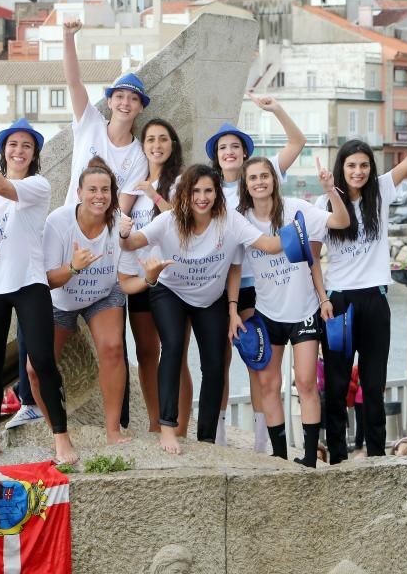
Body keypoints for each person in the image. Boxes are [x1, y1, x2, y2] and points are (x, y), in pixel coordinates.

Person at [316, 100, 407, 464]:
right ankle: (338, 457)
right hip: (340, 301)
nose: (358, 171)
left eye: (363, 165)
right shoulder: (324, 202)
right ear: (340, 168)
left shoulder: (380, 191)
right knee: (335, 385)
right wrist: (321, 299)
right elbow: (311, 256)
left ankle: (377, 456)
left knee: (374, 385)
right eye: (351, 165)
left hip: (375, 300)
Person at [118, 164, 288, 454]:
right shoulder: (169, 220)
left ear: (217, 193)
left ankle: (207, 438)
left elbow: (268, 245)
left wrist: (298, 233)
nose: (202, 197)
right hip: (169, 291)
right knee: (172, 348)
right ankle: (168, 427)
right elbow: (133, 243)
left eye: (208, 190)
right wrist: (123, 232)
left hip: (210, 298)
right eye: (196, 191)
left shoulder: (229, 221)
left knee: (214, 364)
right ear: (185, 194)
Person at [0, 123, 76, 465]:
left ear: (34, 154)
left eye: (26, 146)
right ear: (4, 150)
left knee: (43, 360)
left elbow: (3, 187)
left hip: (29, 283)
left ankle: (62, 440)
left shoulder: (37, 185)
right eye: (13, 144)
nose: (19, 150)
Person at [232, 155, 348, 465]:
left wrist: (331, 191)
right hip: (268, 313)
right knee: (269, 384)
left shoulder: (297, 209)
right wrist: (232, 308)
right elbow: (233, 268)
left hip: (305, 311)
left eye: (264, 176)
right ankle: (280, 456)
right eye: (253, 177)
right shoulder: (240, 218)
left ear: (274, 179)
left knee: (308, 382)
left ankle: (309, 457)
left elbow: (340, 222)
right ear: (245, 184)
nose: (259, 182)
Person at [208, 93, 307, 450]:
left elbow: (298, 142)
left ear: (245, 152)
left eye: (235, 146)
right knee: (217, 361)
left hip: (259, 285)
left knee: (258, 359)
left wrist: (276, 108)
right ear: (216, 156)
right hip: (220, 283)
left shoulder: (261, 177)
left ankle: (262, 441)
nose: (229, 152)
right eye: (223, 148)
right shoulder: (210, 190)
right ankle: (217, 438)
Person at [41, 157, 127, 444]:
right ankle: (57, 430)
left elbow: (128, 268)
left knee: (113, 348)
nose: (99, 196)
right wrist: (75, 267)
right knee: (36, 367)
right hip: (60, 298)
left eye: (105, 190)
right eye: (92, 190)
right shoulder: (59, 222)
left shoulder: (119, 223)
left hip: (102, 294)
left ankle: (113, 430)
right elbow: (49, 279)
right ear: (79, 193)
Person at [118, 118, 189, 435]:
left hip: (173, 278)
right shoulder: (134, 185)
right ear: (142, 146)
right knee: (147, 353)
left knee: (175, 352)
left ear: (172, 145)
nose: (157, 145)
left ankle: (181, 426)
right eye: (150, 140)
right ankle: (154, 421)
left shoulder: (182, 182)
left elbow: (185, 221)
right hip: (139, 276)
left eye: (163, 139)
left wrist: (155, 194)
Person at [62, 19, 147, 214]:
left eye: (133, 99)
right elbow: (74, 82)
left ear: (141, 107)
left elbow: (122, 209)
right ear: (109, 102)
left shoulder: (139, 156)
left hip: (103, 236)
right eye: (119, 96)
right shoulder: (90, 122)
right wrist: (68, 37)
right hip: (69, 224)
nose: (125, 103)